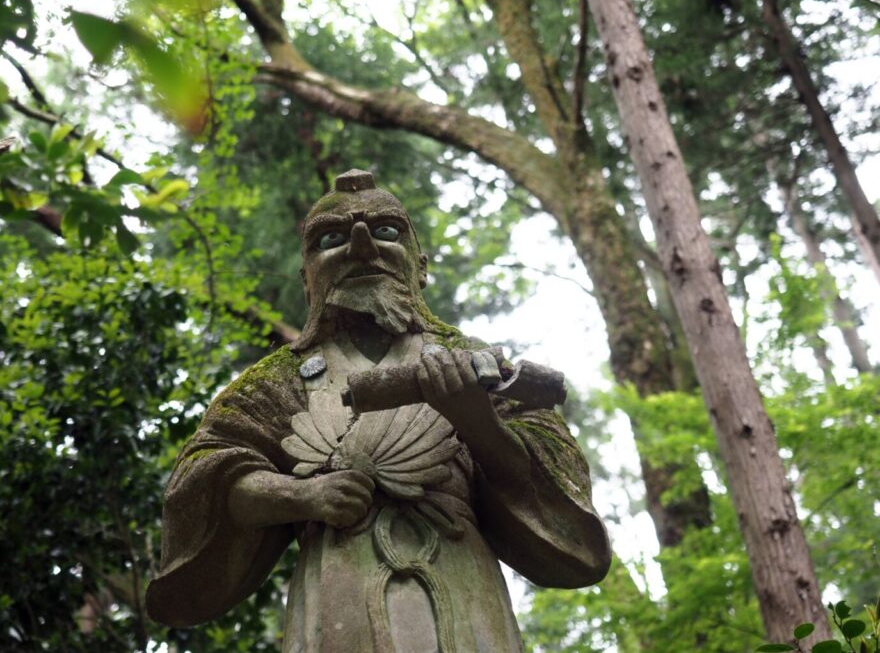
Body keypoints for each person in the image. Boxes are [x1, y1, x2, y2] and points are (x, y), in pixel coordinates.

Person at [146, 169, 610, 652]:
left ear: (420, 265)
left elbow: (552, 478)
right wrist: (301, 497)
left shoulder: (475, 362)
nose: (362, 246)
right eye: (332, 239)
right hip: (336, 586)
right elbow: (204, 480)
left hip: (459, 575)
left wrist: (477, 421)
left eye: (386, 231)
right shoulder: (275, 383)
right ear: (308, 278)